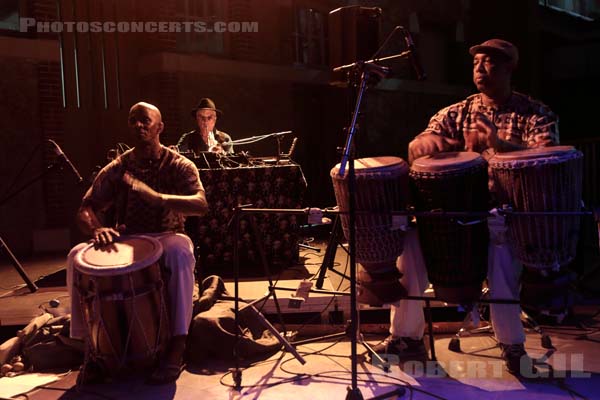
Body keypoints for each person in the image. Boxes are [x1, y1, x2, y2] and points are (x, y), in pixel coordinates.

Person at [373, 39, 559, 377]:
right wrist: (423, 145)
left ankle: (512, 345)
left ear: (508, 68)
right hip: (448, 214)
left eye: (489, 62)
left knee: (501, 255)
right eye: (476, 62)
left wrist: (500, 146)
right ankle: (406, 339)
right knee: (411, 249)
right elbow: (421, 140)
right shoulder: (456, 112)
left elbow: (546, 159)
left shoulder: (535, 114)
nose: (480, 67)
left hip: (501, 211)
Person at [67, 102, 208, 384]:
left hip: (166, 236)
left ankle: (177, 346)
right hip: (127, 238)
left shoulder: (179, 164)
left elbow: (201, 204)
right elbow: (85, 207)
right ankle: (89, 349)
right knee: (75, 256)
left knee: (181, 251)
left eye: (145, 120)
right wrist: (97, 229)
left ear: (160, 127)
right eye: (133, 121)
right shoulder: (119, 167)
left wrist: (158, 198)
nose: (138, 126)